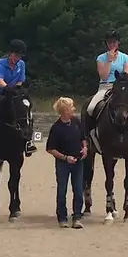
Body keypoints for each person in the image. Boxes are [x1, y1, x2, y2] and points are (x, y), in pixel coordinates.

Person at [85, 30, 128, 151]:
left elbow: (126, 75)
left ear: (118, 43)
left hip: (121, 88)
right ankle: (89, 139)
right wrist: (109, 60)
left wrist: (121, 86)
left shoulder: (125, 57)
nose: (111, 45)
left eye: (114, 42)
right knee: (90, 108)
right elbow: (103, 76)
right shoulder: (101, 58)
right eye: (109, 42)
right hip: (105, 86)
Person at [45, 96, 90, 228]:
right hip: (63, 164)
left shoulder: (76, 122)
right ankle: (62, 218)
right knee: (62, 191)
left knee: (78, 189)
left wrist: (85, 148)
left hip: (78, 162)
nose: (74, 109)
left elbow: (83, 137)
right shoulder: (56, 128)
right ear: (64, 110)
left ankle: (77, 217)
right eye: (71, 107)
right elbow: (50, 149)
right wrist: (65, 157)